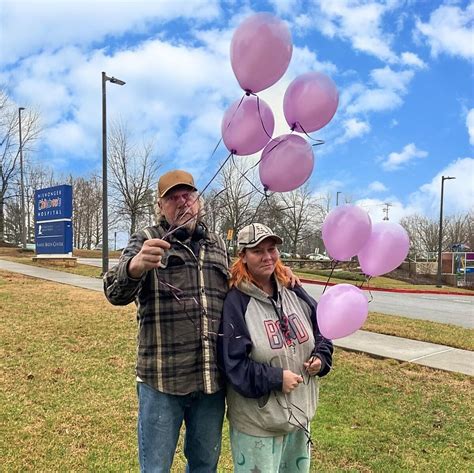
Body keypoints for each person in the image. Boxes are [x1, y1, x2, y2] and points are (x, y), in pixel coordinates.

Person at [103, 170, 299, 472]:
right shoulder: (146, 240)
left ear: (199, 201)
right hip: (162, 381)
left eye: (188, 195)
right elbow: (114, 293)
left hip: (211, 382)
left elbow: (244, 282)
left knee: (205, 465)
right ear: (160, 206)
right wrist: (134, 267)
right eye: (173, 198)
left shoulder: (218, 243)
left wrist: (282, 275)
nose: (182, 203)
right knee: (155, 468)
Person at [218, 223, 333, 473]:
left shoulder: (293, 290)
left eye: (272, 249)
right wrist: (275, 378)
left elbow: (323, 329)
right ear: (243, 257)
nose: (268, 257)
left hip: (299, 420)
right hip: (258, 425)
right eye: (258, 251)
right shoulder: (236, 302)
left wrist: (321, 358)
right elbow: (233, 365)